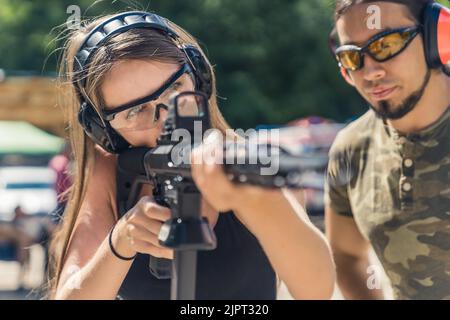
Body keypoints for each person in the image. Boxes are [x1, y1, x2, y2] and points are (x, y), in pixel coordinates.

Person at [48, 11, 336, 300]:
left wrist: (256, 198)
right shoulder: (111, 171)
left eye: (175, 88)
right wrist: (120, 242)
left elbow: (316, 290)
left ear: (199, 77)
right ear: (103, 131)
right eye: (135, 111)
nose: (165, 119)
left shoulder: (240, 158)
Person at [325, 0, 450, 299]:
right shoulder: (349, 150)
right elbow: (347, 255)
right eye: (352, 57)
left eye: (386, 44)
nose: (370, 71)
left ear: (437, 38)